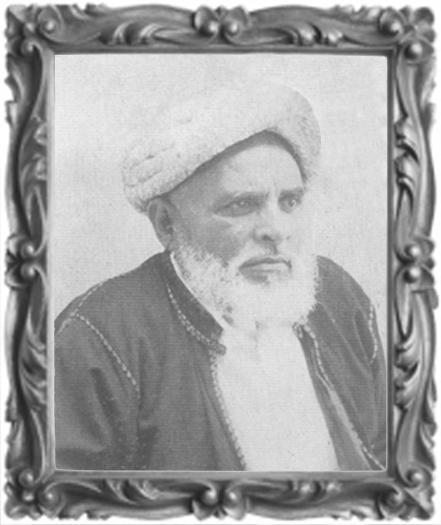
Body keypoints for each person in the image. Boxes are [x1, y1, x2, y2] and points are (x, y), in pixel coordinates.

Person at [55, 81, 386, 471]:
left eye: (290, 201)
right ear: (166, 224)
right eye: (242, 205)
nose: (277, 230)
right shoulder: (98, 336)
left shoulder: (337, 295)